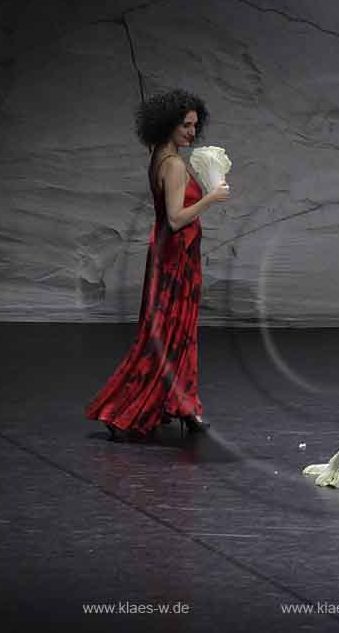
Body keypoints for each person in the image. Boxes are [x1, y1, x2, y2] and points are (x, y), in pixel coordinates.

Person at [85, 89, 230, 440]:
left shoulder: (160, 158)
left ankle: (186, 407)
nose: (192, 133)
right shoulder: (175, 165)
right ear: (168, 125)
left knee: (173, 335)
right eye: (186, 125)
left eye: (195, 125)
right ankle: (126, 408)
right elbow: (177, 219)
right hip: (175, 259)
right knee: (169, 336)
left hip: (171, 255)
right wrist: (211, 198)